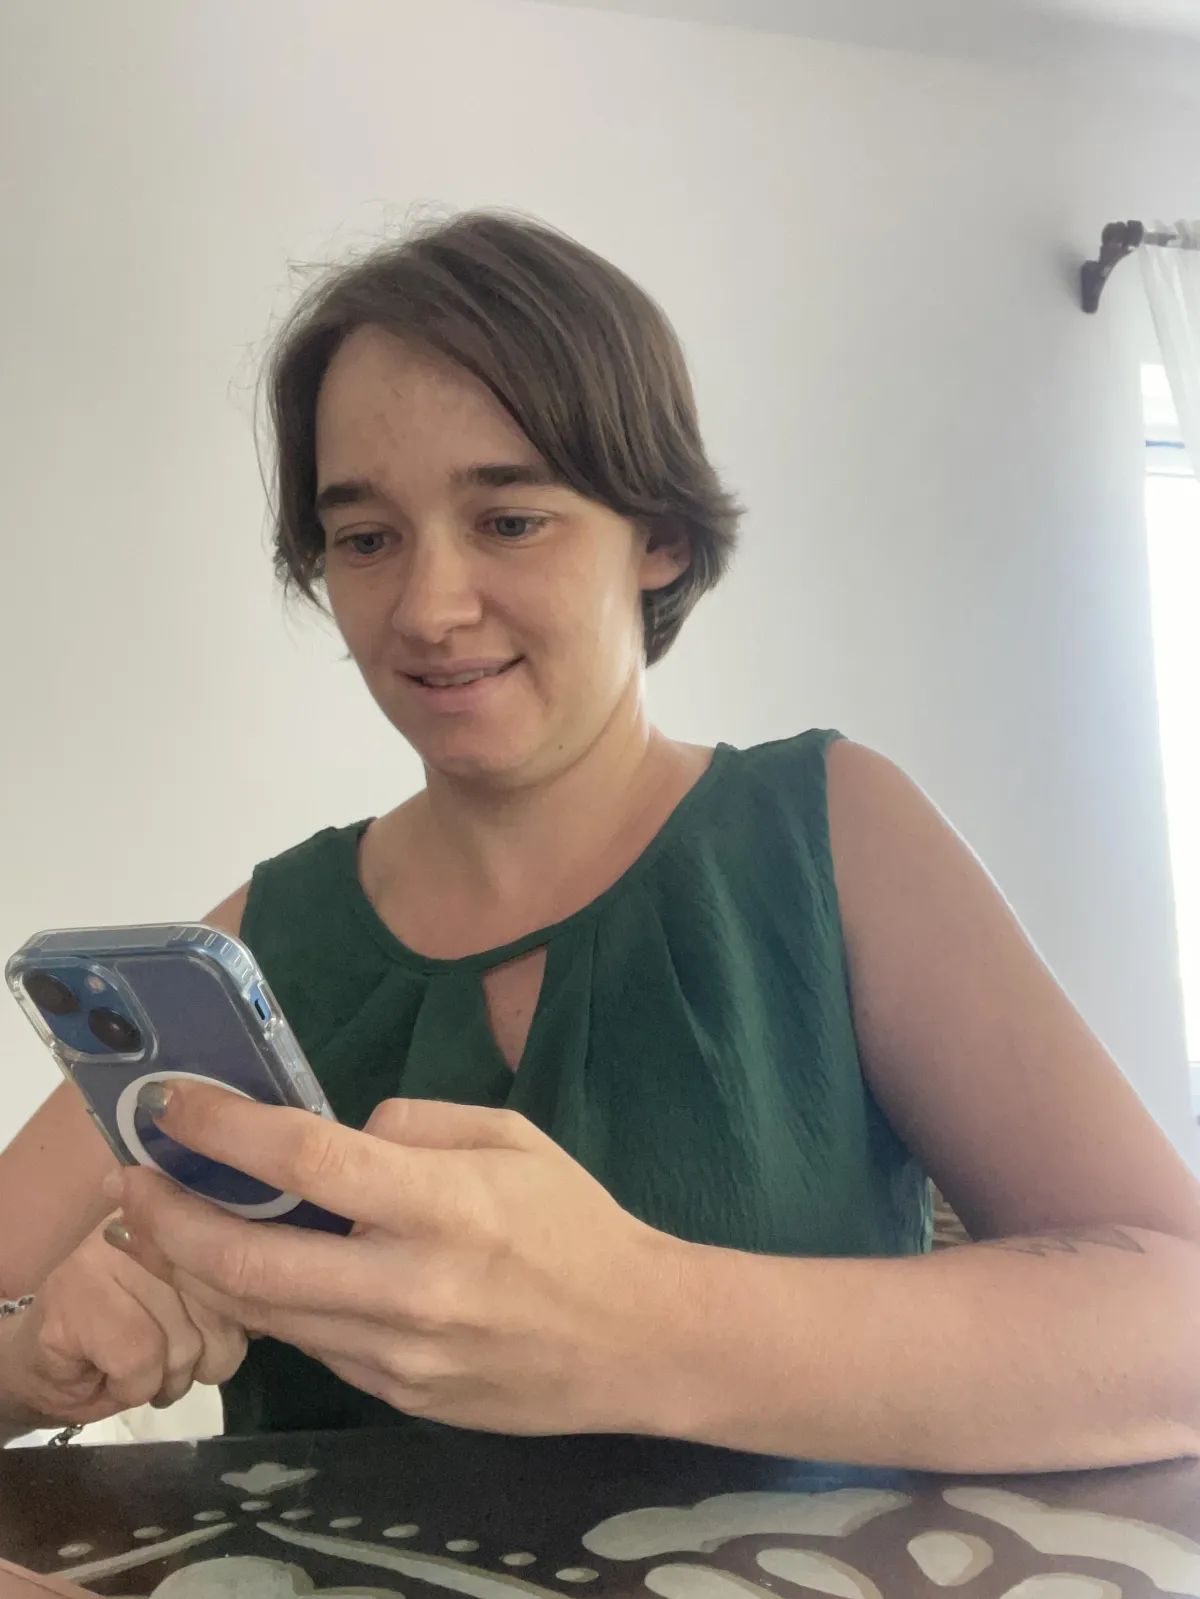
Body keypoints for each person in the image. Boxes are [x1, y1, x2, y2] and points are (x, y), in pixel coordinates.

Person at [3, 212, 1200, 1472]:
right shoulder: (264, 939)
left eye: (510, 519)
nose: (428, 607)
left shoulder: (832, 836)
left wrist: (646, 1325)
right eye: (366, 539)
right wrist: (34, 1356)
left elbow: (1174, 1319)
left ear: (660, 535)